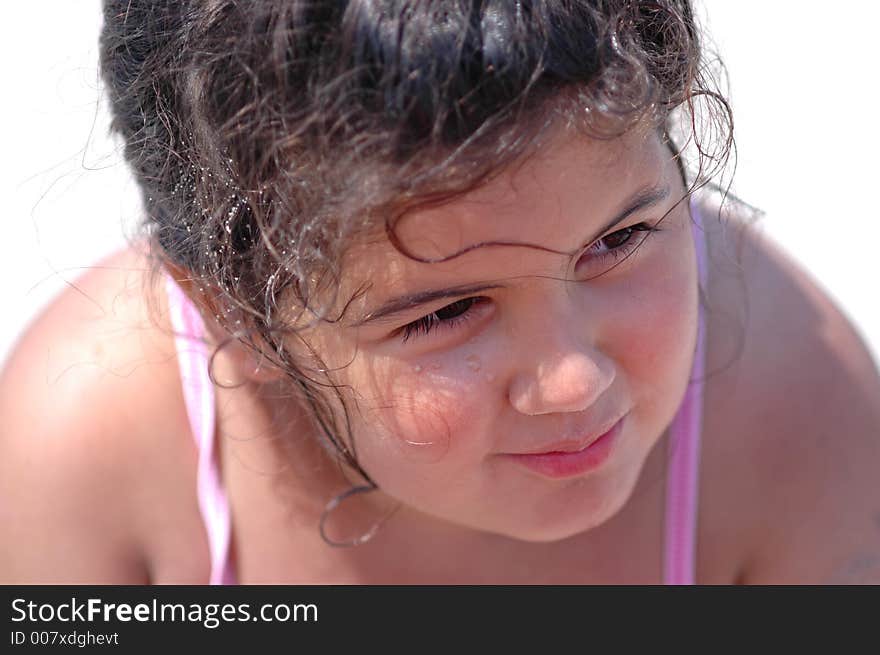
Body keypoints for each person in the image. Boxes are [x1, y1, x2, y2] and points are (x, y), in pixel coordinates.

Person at [2, 0, 879, 585]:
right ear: (239, 317)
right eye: (445, 310)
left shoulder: (792, 414)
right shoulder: (89, 462)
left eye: (620, 239)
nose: (574, 380)